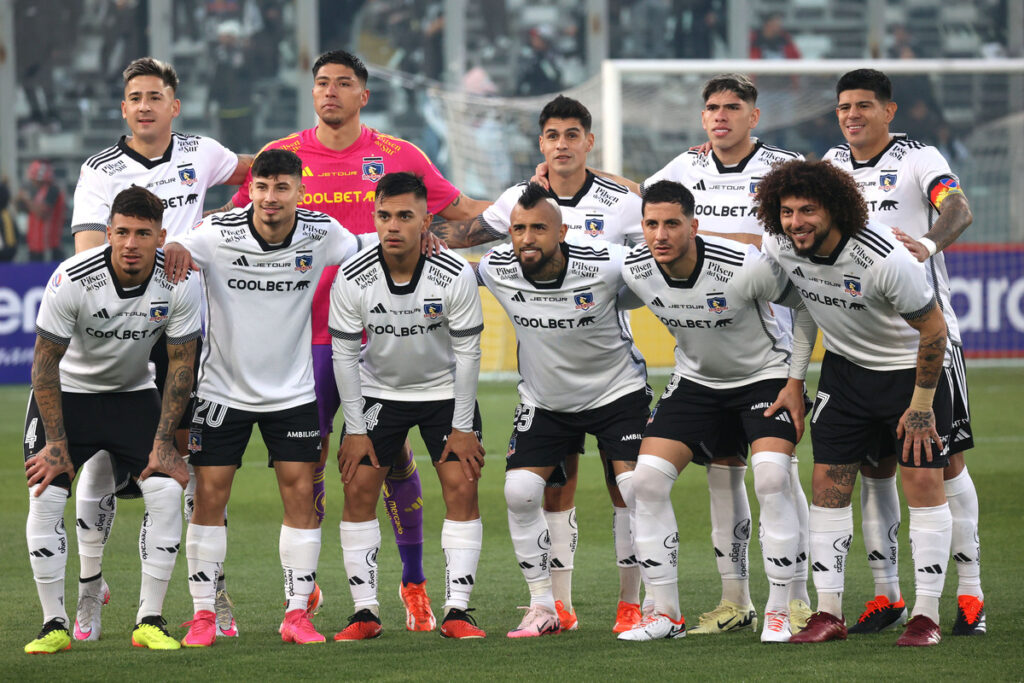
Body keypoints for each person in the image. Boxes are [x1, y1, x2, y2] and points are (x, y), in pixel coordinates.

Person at [223, 49, 491, 631]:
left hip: (394, 333)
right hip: (305, 335)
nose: (331, 93)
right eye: (322, 83)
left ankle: (415, 584)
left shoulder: (399, 156)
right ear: (312, 91)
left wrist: (530, 209)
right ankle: (309, 588)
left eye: (344, 83)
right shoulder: (285, 157)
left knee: (391, 457)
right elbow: (233, 222)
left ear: (362, 95)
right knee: (313, 461)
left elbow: (458, 212)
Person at [434, 94, 645, 632]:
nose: (562, 145)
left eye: (572, 135)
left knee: (629, 488)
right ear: (541, 143)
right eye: (552, 136)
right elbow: (460, 237)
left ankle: (632, 603)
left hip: (611, 371)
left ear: (588, 142)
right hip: (545, 382)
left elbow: (655, 260)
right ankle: (555, 605)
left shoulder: (622, 201)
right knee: (549, 488)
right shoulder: (515, 201)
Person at [68, 56, 252, 642]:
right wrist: (165, 247)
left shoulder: (202, 152)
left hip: (186, 335)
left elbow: (260, 172)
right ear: (123, 108)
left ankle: (208, 591)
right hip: (120, 336)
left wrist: (221, 229)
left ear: (175, 105)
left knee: (184, 469)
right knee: (98, 465)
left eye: (156, 96)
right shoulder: (99, 170)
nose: (145, 105)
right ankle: (91, 591)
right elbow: (89, 248)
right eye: (135, 97)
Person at [164, 149, 359, 646]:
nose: (271, 198)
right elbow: (177, 246)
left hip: (292, 392)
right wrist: (178, 250)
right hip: (221, 390)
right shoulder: (217, 233)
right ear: (250, 189)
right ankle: (204, 615)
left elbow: (366, 248)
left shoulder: (322, 232)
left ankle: (297, 615)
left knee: (301, 498)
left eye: (282, 188)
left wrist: (423, 238)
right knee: (208, 497)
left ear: (300, 190)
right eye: (262, 187)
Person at [639, 74, 812, 636]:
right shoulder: (681, 169)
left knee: (775, 478)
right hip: (705, 355)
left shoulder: (787, 169)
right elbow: (640, 211)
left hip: (769, 338)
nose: (720, 117)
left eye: (732, 108)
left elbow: (814, 231)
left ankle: (797, 599)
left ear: (753, 115)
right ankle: (734, 600)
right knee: (725, 474)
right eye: (711, 107)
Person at [757, 159, 953, 647]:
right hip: (844, 377)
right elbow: (804, 306)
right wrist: (794, 379)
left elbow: (934, 331)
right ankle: (828, 613)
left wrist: (922, 405)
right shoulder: (784, 246)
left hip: (911, 377)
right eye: (786, 211)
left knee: (923, 482)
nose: (796, 222)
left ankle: (926, 616)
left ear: (836, 211)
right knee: (827, 485)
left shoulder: (885, 258)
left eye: (808, 210)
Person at [823, 69, 985, 636]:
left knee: (944, 464)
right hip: (857, 344)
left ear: (889, 111)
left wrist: (928, 245)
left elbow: (958, 208)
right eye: (844, 106)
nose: (852, 115)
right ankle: (887, 593)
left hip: (926, 339)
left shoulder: (919, 158)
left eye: (864, 105)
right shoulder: (830, 165)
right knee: (873, 467)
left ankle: (969, 593)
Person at [23, 186, 201, 654]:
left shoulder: (180, 280)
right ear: (108, 233)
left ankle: (150, 619)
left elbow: (182, 363)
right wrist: (57, 444)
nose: (131, 244)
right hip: (67, 396)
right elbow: (44, 365)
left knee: (165, 488)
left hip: (132, 394)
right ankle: (53, 623)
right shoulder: (73, 277)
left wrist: (165, 441)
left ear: (161, 236)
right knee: (45, 492)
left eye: (143, 234)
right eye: (122, 232)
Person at [477, 183, 651, 638]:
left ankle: (635, 605)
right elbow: (452, 270)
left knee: (634, 489)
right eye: (518, 229)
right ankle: (543, 606)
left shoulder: (607, 262)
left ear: (563, 231)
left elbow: (661, 278)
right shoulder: (498, 267)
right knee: (519, 493)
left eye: (538, 228)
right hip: (546, 401)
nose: (527, 238)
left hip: (617, 394)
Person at [329, 172, 486, 640]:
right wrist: (355, 429)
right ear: (373, 218)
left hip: (444, 394)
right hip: (380, 393)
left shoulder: (455, 272)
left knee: (462, 488)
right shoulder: (352, 276)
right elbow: (344, 356)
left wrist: (462, 426)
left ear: (426, 222)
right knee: (357, 489)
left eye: (404, 216)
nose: (392, 225)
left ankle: (458, 609)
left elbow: (468, 355)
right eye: (383, 216)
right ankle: (365, 613)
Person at [16, 160, 66, 262]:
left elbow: (42, 213)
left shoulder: (53, 190)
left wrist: (26, 199)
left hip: (49, 248)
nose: (33, 182)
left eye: (34, 179)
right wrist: (20, 200)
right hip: (35, 247)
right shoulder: (40, 192)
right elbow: (22, 209)